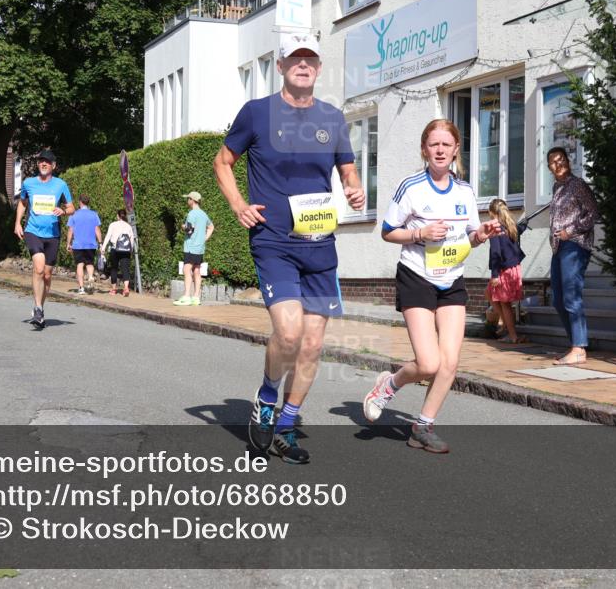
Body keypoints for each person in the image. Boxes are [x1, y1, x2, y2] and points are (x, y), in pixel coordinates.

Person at [214, 32, 365, 464]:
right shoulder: (257, 113)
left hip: (319, 244)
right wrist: (238, 204)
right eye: (293, 58)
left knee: (314, 344)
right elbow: (223, 161)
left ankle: (287, 424)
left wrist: (354, 190)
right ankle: (266, 397)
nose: (302, 64)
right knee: (290, 333)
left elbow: (348, 172)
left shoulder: (332, 117)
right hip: (274, 242)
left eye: (310, 59)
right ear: (280, 67)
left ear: (318, 68)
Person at [362, 119, 501, 453]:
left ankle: (422, 427)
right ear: (424, 150)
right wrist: (419, 234)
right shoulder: (412, 187)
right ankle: (388, 385)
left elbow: (470, 235)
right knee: (428, 363)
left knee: (450, 362)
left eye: (446, 145)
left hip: (451, 278)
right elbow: (387, 230)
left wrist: (480, 235)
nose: (440, 150)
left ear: (455, 151)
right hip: (416, 275)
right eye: (433, 144)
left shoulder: (465, 191)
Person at [546, 146, 600, 365]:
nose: (557, 164)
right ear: (549, 167)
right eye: (552, 162)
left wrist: (572, 230)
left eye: (561, 160)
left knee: (571, 297)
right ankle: (575, 344)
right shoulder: (556, 188)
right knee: (557, 300)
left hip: (575, 245)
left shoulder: (577, 185)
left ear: (568, 161)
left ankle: (579, 349)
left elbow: (594, 212)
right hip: (559, 247)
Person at [14, 149, 74, 328]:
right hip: (33, 231)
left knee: (47, 275)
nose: (43, 164)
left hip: (53, 235)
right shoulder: (29, 183)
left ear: (53, 165)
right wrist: (17, 223)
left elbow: (71, 207)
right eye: (41, 161)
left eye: (47, 161)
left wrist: (63, 211)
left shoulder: (61, 185)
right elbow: (23, 203)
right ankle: (38, 307)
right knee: (39, 269)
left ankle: (39, 307)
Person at [486, 198, 527, 344]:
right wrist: (524, 225)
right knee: (489, 293)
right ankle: (504, 323)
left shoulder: (495, 229)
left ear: (492, 212)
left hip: (504, 269)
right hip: (513, 267)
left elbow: (496, 252)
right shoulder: (509, 225)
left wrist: (495, 275)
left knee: (505, 304)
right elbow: (517, 233)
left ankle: (512, 335)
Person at [173, 191, 214, 306]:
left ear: (192, 200)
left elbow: (189, 230)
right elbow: (211, 227)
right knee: (197, 271)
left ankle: (186, 296)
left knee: (186, 269)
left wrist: (183, 227)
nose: (187, 201)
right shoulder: (203, 214)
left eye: (188, 199)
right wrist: (204, 239)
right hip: (200, 247)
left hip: (191, 247)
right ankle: (196, 297)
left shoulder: (191, 214)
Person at [65, 194, 102, 295]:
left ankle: (81, 288)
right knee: (89, 263)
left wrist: (68, 243)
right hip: (91, 244)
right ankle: (90, 277)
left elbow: (70, 230)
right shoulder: (94, 214)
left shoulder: (74, 214)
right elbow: (97, 229)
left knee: (80, 264)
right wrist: (100, 243)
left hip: (78, 244)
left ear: (80, 202)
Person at [101, 209, 135, 297]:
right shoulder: (129, 226)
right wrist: (130, 251)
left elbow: (108, 236)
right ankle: (126, 288)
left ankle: (113, 289)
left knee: (114, 269)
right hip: (126, 251)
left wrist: (103, 248)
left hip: (114, 249)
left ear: (118, 216)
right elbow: (131, 240)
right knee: (125, 269)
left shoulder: (113, 224)